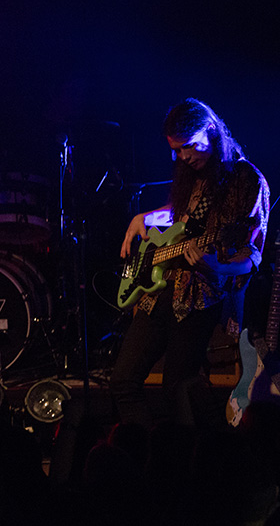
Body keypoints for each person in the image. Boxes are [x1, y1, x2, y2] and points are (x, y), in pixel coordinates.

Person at [113, 98, 269, 429]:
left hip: (200, 297)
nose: (184, 157)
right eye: (177, 150)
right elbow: (182, 219)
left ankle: (193, 463)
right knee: (123, 381)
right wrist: (144, 217)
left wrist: (217, 266)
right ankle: (144, 454)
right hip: (159, 291)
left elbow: (252, 256)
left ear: (210, 131)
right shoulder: (191, 174)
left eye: (190, 147)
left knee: (177, 389)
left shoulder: (247, 180)